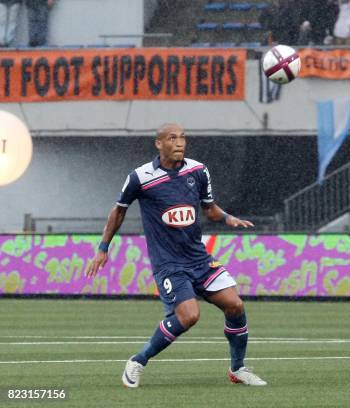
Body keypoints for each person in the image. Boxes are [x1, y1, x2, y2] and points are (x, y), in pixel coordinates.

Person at [85, 124, 267, 387]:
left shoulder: (198, 170)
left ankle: (237, 369)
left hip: (199, 258)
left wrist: (228, 218)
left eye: (183, 138)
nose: (180, 142)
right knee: (189, 316)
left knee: (235, 305)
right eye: (173, 138)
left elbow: (210, 209)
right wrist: (103, 249)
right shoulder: (141, 177)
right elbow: (119, 211)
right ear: (159, 144)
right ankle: (137, 361)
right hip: (169, 264)